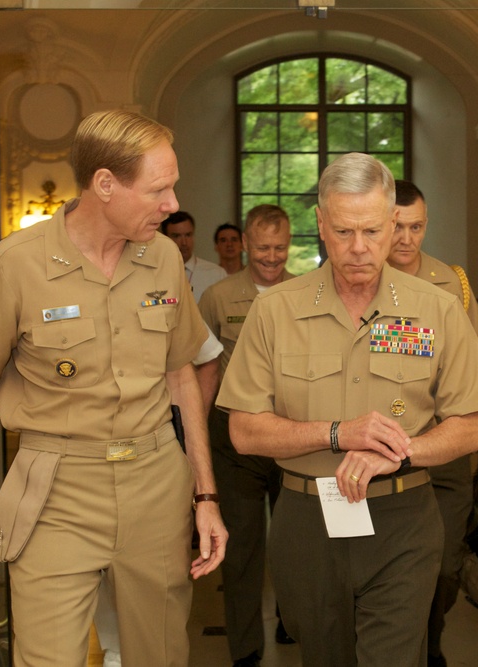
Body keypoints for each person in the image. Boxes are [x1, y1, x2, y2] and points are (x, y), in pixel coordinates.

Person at [0, 109, 228, 666]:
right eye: (160, 189)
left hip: (155, 484)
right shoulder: (18, 263)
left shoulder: (164, 257)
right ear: (105, 185)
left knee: (162, 655)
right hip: (56, 493)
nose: (172, 204)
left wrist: (205, 497)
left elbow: (181, 377)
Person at [217, 152, 478, 667]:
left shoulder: (436, 308)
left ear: (394, 224)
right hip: (307, 519)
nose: (359, 249)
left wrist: (403, 451)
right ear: (321, 225)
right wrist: (338, 433)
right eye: (344, 232)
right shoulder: (275, 311)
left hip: (403, 516)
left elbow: (470, 428)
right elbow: (245, 432)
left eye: (371, 230)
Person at [388, 179, 478, 665]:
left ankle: (429, 643)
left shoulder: (451, 280)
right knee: (390, 570)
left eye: (417, 227)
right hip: (381, 451)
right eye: (397, 226)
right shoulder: (359, 277)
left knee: (442, 566)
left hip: (444, 448)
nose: (406, 238)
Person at [198, 204, 295, 667]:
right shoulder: (218, 297)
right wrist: (195, 436)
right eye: (262, 248)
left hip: (293, 434)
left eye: (279, 248)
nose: (271, 258)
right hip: (233, 436)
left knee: (297, 541)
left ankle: (294, 622)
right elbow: (204, 371)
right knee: (241, 549)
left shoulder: (306, 293)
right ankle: (246, 648)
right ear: (245, 244)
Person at [162, 210, 227, 300]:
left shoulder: (216, 274)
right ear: (165, 238)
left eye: (188, 235)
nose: (184, 242)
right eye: (176, 236)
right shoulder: (155, 273)